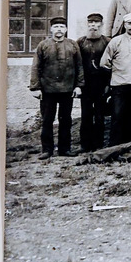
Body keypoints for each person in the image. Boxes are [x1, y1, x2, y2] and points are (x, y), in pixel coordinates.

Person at [29, 17, 84, 159]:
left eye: (62, 27)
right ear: (51, 29)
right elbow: (36, 67)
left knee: (66, 120)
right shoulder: (43, 45)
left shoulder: (72, 45)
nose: (59, 29)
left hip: (67, 90)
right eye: (56, 27)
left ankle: (64, 149)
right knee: (47, 119)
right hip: (48, 90)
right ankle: (47, 150)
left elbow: (79, 66)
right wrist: (35, 88)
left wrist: (78, 86)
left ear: (66, 29)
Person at [99, 12, 131, 146]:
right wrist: (116, 73)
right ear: (125, 25)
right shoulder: (116, 41)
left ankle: (126, 146)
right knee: (118, 116)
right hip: (119, 86)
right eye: (129, 24)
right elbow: (104, 63)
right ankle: (114, 146)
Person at [77, 12, 110, 153]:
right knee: (86, 115)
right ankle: (85, 145)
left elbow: (111, 64)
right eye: (91, 23)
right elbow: (77, 64)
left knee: (99, 115)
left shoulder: (107, 42)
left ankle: (98, 145)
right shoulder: (80, 42)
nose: (93, 26)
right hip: (86, 84)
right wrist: (78, 84)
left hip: (101, 84)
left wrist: (108, 85)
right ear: (87, 24)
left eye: (96, 23)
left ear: (101, 25)